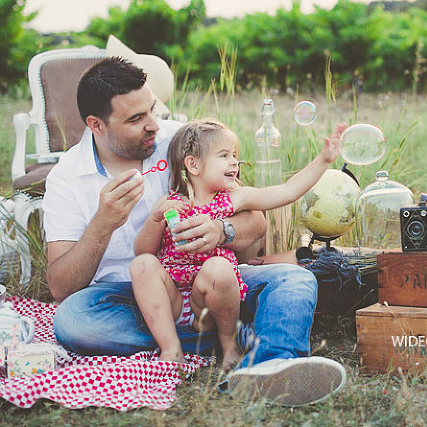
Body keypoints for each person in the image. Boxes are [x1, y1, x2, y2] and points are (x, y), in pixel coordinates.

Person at [42, 56, 346, 406]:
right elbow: (62, 287)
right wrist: (103, 223)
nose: (154, 125)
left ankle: (272, 364)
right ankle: (234, 337)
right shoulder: (67, 179)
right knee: (73, 320)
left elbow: (256, 221)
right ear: (97, 125)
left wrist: (222, 229)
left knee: (296, 279)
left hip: (217, 281)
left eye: (152, 110)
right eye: (137, 119)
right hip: (139, 300)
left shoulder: (185, 142)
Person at [131, 119, 345, 370]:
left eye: (235, 155)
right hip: (173, 299)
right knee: (142, 265)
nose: (235, 162)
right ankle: (171, 348)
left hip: (211, 301)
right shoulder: (170, 203)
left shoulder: (233, 199)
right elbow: (144, 252)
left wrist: (324, 160)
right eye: (224, 155)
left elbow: (287, 191)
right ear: (193, 164)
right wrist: (155, 220)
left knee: (218, 267)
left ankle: (229, 344)